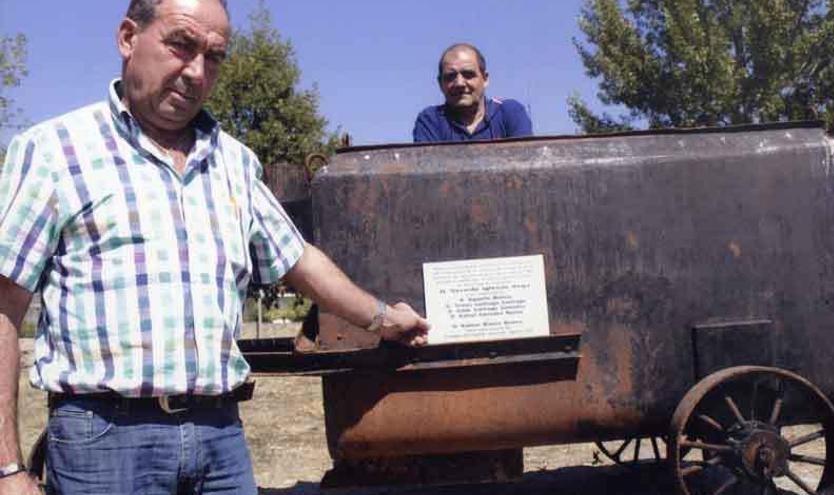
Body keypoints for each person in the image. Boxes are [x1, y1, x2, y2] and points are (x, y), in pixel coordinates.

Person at [0, 0, 429, 493]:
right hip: (104, 441)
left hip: (219, 435)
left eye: (214, 56)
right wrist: (8, 468)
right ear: (127, 38)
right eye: (180, 46)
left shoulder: (234, 162)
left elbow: (299, 259)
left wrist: (381, 317)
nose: (196, 72)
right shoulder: (55, 150)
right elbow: (4, 306)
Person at [413, 43, 533, 142]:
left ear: (485, 79)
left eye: (468, 74)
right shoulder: (430, 120)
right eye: (450, 76)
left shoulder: (510, 113)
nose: (459, 83)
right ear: (440, 83)